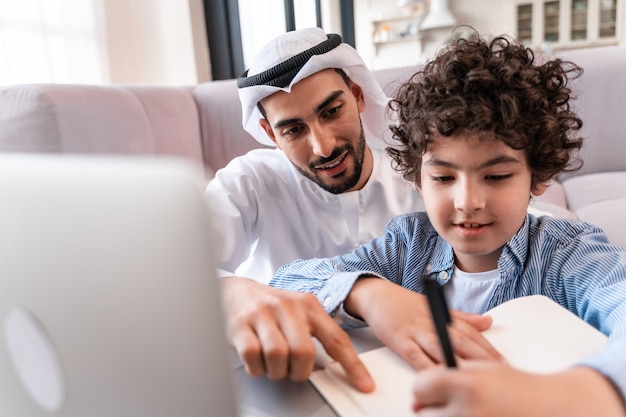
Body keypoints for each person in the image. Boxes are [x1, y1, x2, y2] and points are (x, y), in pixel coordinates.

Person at [270, 33, 626, 415]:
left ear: (537, 177)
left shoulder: (567, 254)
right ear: (418, 180)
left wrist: (581, 396)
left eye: (496, 177)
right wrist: (367, 294)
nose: (467, 202)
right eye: (443, 178)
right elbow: (287, 283)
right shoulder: (406, 245)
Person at [206, 27, 500, 390]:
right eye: (294, 130)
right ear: (270, 135)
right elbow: (168, 265)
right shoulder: (251, 179)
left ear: (357, 96)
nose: (323, 146)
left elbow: (522, 227)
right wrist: (233, 291)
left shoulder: (421, 175)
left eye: (331, 111)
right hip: (290, 377)